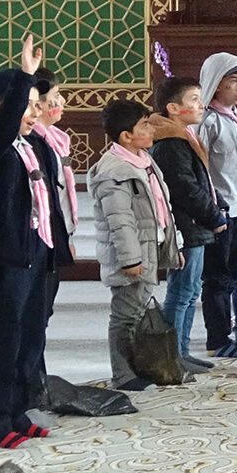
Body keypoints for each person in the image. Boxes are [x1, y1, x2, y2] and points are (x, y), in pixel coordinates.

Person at [0, 36, 56, 447]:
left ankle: (19, 411)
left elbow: (49, 200)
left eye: (38, 105)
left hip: (36, 251)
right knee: (2, 342)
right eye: (27, 105)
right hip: (6, 256)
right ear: (2, 109)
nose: (35, 113)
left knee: (29, 338)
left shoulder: (34, 145)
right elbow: (5, 130)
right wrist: (25, 74)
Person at [89, 98, 182, 391]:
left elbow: (162, 207)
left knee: (137, 313)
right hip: (132, 256)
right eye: (144, 125)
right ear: (126, 136)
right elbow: (120, 220)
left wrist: (174, 245)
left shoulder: (144, 161)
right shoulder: (114, 171)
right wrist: (130, 259)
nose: (151, 129)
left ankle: (138, 368)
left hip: (148, 248)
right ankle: (123, 374)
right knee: (125, 317)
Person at [151, 76, 226, 374]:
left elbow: (199, 181)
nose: (201, 105)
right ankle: (170, 357)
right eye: (193, 99)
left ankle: (181, 351)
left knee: (191, 291)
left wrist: (216, 204)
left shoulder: (183, 135)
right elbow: (185, 189)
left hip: (196, 226)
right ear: (173, 108)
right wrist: (213, 215)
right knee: (180, 293)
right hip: (186, 227)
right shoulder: (170, 142)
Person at [197, 53, 237, 357]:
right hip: (220, 213)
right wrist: (213, 210)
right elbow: (201, 171)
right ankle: (217, 340)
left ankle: (235, 332)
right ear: (215, 84)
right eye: (233, 81)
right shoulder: (208, 121)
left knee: (234, 276)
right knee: (217, 279)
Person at [26, 68, 75, 408]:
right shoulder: (34, 142)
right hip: (37, 239)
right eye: (54, 97)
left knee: (43, 313)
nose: (61, 102)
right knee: (34, 314)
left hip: (56, 233)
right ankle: (31, 382)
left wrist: (67, 232)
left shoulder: (55, 140)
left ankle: (36, 377)